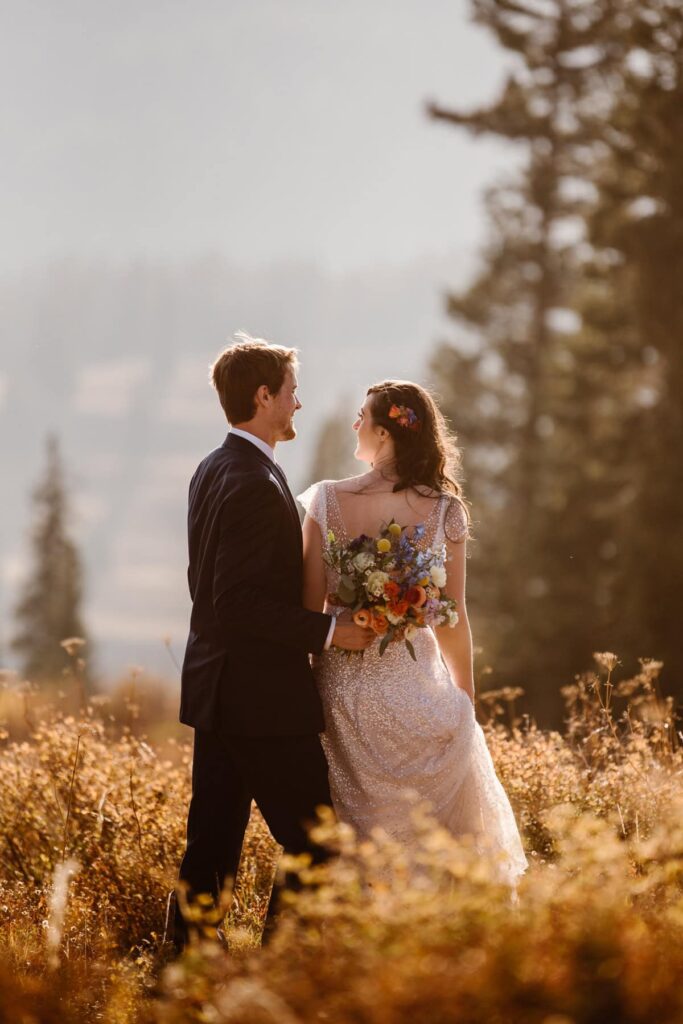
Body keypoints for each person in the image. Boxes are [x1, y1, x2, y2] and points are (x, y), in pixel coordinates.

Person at [172, 332, 374, 949]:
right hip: (260, 698)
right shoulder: (254, 480)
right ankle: (285, 970)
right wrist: (329, 631)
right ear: (263, 396)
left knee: (211, 842)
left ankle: (183, 974)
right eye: (291, 392)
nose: (298, 405)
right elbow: (234, 601)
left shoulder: (216, 466)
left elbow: (203, 587)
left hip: (218, 687)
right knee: (315, 841)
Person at [298, 380, 527, 883]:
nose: (355, 424)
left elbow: (309, 611)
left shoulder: (327, 502)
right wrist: (466, 700)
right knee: (432, 839)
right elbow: (453, 615)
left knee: (356, 837)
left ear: (382, 433)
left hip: (341, 690)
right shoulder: (446, 509)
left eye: (362, 416)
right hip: (418, 689)